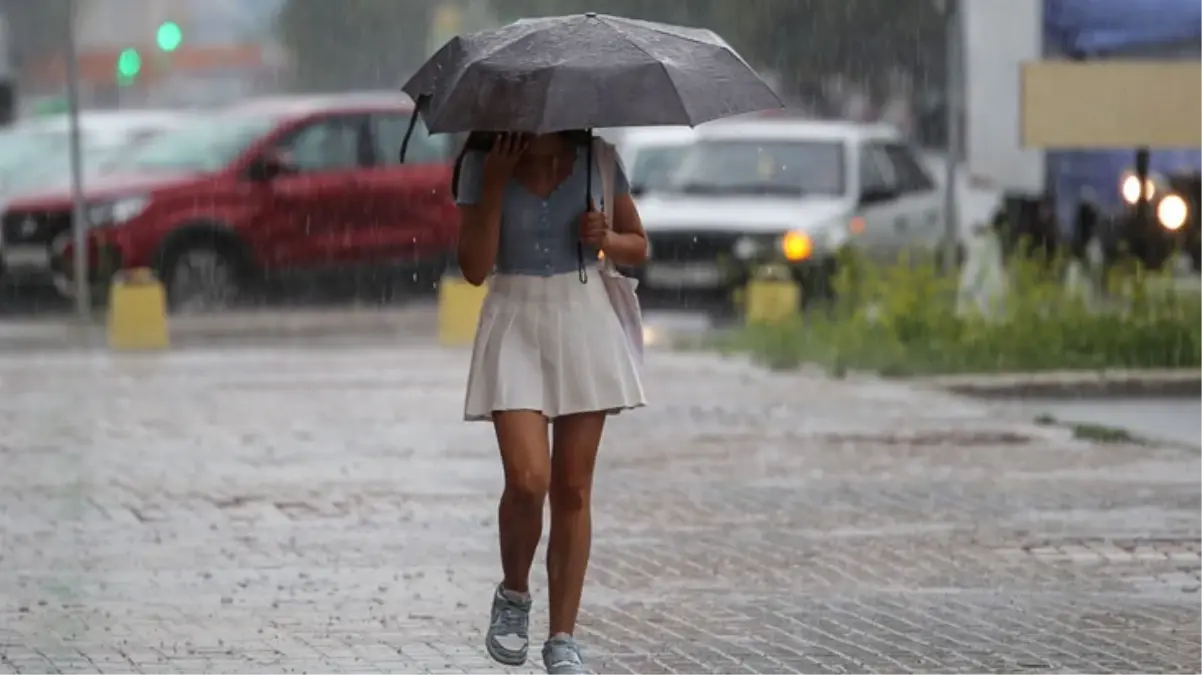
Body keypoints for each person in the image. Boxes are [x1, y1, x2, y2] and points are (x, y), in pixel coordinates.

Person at [453, 131, 648, 673]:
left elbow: (639, 244)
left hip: (583, 317)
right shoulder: (481, 162)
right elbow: (473, 267)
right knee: (528, 478)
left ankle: (563, 637)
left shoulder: (598, 159)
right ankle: (514, 594)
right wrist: (493, 182)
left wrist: (605, 237)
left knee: (572, 486)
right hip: (513, 317)